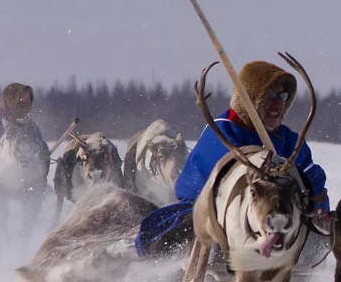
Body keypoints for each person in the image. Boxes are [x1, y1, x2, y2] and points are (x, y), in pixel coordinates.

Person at [136, 60, 330, 257]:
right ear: (252, 98)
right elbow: (230, 179)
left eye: (283, 96)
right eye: (271, 95)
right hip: (209, 208)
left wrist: (318, 208)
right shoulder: (222, 131)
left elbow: (311, 177)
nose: (278, 102)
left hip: (277, 215)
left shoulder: (288, 140)